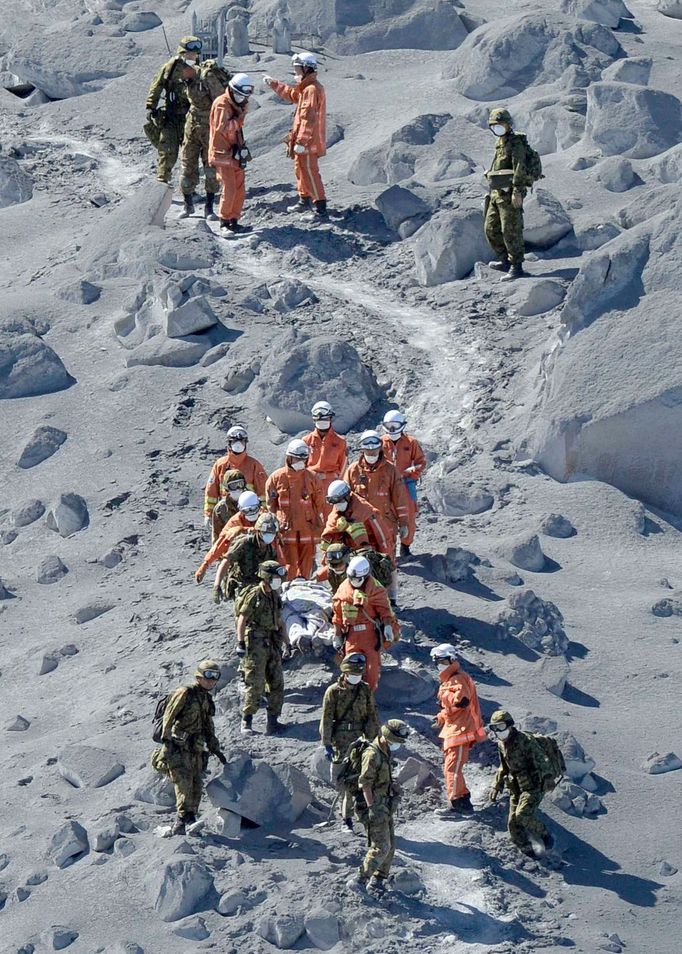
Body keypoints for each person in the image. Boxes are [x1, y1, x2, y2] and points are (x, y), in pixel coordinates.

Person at [155, 659, 226, 835]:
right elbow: (169, 716)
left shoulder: (206, 699)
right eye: (208, 676)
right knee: (183, 783)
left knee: (196, 784)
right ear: (199, 676)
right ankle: (180, 822)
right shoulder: (185, 693)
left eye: (215, 677)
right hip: (177, 746)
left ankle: (190, 820)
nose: (211, 681)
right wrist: (166, 740)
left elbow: (208, 725)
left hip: (196, 748)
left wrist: (214, 747)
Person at [344, 430, 409, 604]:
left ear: (380, 449)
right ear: (362, 450)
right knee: (360, 559)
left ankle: (390, 597)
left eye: (374, 450)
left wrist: (404, 523)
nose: (371, 454)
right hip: (361, 527)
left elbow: (400, 498)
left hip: (385, 525)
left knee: (387, 560)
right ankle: (363, 597)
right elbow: (344, 499)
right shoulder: (352, 471)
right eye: (368, 450)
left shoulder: (390, 470)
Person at [263, 51, 328, 219]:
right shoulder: (306, 88)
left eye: (298, 69)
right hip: (303, 140)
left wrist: (302, 140)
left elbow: (309, 118)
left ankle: (320, 207)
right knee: (300, 169)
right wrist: (274, 84)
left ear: (306, 69)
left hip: (308, 141)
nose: (296, 73)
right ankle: (304, 199)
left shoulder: (312, 90)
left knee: (309, 171)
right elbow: (292, 95)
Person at [319, 652, 380, 828]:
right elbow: (326, 718)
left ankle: (361, 816)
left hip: (361, 740)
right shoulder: (333, 692)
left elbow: (372, 715)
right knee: (343, 782)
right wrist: (327, 743)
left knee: (363, 779)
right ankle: (346, 819)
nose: (355, 678)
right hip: (341, 742)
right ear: (345, 673)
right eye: (353, 675)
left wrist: (374, 740)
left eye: (358, 675)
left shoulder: (365, 689)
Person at [488, 710, 554, 857]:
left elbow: (542, 759)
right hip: (516, 787)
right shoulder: (501, 744)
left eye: (501, 726)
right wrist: (496, 784)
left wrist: (548, 777)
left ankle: (545, 834)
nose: (498, 731)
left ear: (510, 725)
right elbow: (503, 766)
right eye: (494, 728)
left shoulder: (525, 740)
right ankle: (527, 851)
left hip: (533, 786)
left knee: (522, 816)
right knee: (513, 824)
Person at [355, 719, 411, 893]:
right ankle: (359, 880)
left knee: (391, 845)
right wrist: (372, 808)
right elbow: (365, 784)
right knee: (381, 846)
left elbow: (380, 778)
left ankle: (378, 880)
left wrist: (392, 786)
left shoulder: (385, 751)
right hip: (374, 806)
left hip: (385, 804)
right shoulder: (372, 754)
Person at [430, 644, 486, 816]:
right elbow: (452, 707)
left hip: (461, 730)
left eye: (443, 660)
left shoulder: (458, 679)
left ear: (452, 659)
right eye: (437, 661)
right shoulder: (449, 680)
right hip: (453, 729)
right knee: (451, 768)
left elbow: (462, 702)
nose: (440, 664)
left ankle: (456, 804)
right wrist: (441, 717)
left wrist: (447, 708)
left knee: (452, 768)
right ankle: (462, 801)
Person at [235, 560, 290, 735]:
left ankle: (273, 722)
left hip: (272, 642)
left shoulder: (274, 595)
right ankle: (247, 721)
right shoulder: (254, 595)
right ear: (266, 577)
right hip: (256, 643)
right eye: (275, 577)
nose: (278, 581)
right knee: (255, 683)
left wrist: (287, 642)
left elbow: (279, 620)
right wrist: (240, 643)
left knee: (276, 683)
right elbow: (242, 619)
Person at [332, 555, 398, 691]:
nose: (354, 581)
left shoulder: (376, 589)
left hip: (370, 635)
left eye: (357, 579)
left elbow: (384, 610)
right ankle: (349, 695)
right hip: (351, 634)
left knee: (372, 670)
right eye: (351, 578)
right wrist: (337, 635)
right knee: (350, 667)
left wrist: (387, 627)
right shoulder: (343, 589)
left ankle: (368, 696)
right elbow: (338, 614)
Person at [145, 36, 202, 184]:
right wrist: (151, 106)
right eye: (191, 53)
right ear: (183, 52)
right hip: (171, 116)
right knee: (167, 151)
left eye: (196, 53)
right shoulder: (170, 68)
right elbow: (157, 85)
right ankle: (161, 183)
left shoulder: (199, 70)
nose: (194, 55)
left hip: (190, 117)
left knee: (190, 154)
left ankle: (188, 189)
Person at [484, 107, 531, 281]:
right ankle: (504, 260)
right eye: (494, 125)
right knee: (491, 229)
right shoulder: (500, 143)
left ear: (508, 124)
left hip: (510, 193)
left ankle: (516, 266)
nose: (498, 128)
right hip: (497, 193)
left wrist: (517, 191)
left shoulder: (516, 142)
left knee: (510, 230)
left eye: (501, 124)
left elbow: (519, 167)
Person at [265, 439, 324, 580]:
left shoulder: (312, 478)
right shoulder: (276, 478)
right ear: (289, 457)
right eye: (297, 458)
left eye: (303, 459)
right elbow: (271, 505)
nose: (300, 461)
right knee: (287, 565)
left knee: (307, 565)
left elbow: (319, 503)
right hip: (286, 530)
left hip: (307, 529)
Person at [180, 58, 231, 219]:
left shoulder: (207, 76)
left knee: (210, 165)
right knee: (187, 163)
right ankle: (188, 205)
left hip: (210, 125)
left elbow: (221, 100)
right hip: (192, 125)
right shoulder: (186, 79)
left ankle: (209, 208)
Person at [208, 73, 255, 232]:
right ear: (232, 90)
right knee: (229, 188)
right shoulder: (222, 104)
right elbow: (224, 128)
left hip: (235, 152)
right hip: (223, 153)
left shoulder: (236, 104)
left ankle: (234, 220)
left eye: (244, 96)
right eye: (239, 95)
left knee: (239, 188)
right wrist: (241, 118)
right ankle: (224, 222)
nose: (242, 99)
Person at [380, 410, 426, 557]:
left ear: (402, 425)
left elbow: (421, 462)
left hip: (406, 483)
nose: (392, 429)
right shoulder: (380, 443)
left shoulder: (411, 443)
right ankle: (389, 548)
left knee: (409, 515)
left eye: (395, 425)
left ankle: (405, 545)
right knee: (386, 516)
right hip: (386, 486)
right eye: (389, 425)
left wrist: (412, 472)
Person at [203, 424, 268, 522]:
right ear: (229, 443)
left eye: (242, 441)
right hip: (225, 513)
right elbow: (211, 492)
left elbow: (263, 492)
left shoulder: (254, 465)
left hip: (249, 514)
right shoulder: (220, 465)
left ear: (246, 443)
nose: (238, 444)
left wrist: (264, 514)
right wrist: (208, 514)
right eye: (234, 441)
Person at [195, 490, 262, 583]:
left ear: (259, 506)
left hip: (263, 557)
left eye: (253, 509)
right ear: (240, 510)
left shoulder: (265, 517)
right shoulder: (234, 524)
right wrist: (205, 564)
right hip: (241, 560)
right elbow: (221, 544)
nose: (251, 513)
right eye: (246, 510)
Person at [221, 512, 284, 601]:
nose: (269, 536)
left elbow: (274, 572)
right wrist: (217, 585)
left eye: (272, 533)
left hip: (260, 586)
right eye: (266, 532)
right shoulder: (244, 543)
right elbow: (226, 561)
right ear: (258, 530)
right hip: (242, 586)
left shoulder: (270, 549)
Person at [321, 479, 391, 558]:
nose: (337, 505)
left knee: (355, 527)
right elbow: (327, 537)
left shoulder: (366, 511)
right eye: (334, 503)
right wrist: (326, 560)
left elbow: (383, 539)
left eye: (339, 501)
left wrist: (388, 562)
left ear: (347, 496)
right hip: (345, 556)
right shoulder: (335, 514)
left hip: (367, 554)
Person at [302, 401, 347, 519]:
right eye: (319, 419)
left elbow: (342, 468)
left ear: (331, 419)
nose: (322, 422)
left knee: (332, 517)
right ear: (313, 420)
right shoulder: (306, 441)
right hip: (311, 483)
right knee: (311, 516)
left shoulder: (340, 442)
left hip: (331, 484)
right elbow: (301, 465)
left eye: (325, 418)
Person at [210, 469, 246, 543]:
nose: (238, 488)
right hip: (230, 548)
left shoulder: (252, 502)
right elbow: (217, 535)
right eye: (233, 485)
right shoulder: (221, 508)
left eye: (240, 484)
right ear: (227, 488)